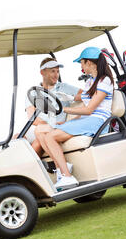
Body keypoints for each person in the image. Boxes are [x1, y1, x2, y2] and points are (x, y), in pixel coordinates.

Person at [35, 47, 114, 191]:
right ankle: (64, 170)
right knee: (47, 135)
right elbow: (84, 108)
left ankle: (66, 176)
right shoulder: (90, 82)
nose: (81, 67)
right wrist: (67, 122)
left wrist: (63, 109)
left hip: (98, 122)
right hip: (88, 120)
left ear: (89, 63)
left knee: (51, 136)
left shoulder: (105, 81)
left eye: (82, 63)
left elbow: (90, 110)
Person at [20, 57, 80, 157]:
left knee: (38, 141)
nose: (56, 75)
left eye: (57, 71)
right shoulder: (33, 92)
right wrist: (46, 123)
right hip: (37, 127)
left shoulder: (64, 88)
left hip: (54, 127)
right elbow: (32, 119)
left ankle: (23, 169)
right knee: (17, 139)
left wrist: (72, 98)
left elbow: (87, 96)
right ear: (42, 72)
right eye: (52, 71)